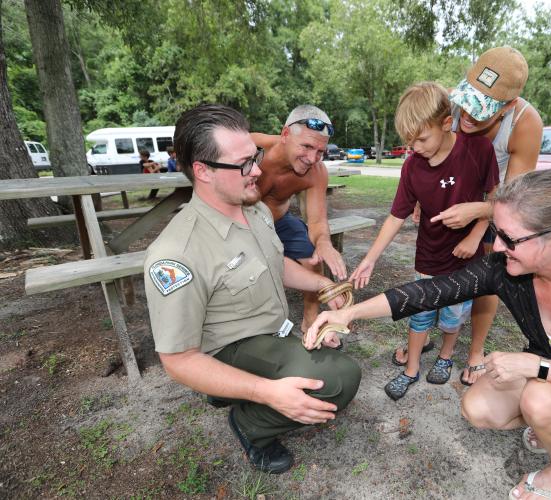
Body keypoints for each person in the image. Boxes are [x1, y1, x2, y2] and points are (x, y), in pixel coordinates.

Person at [305, 169, 551, 499]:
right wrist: (350, 313)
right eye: (495, 232)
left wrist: (536, 366)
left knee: (540, 400)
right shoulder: (507, 267)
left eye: (510, 238)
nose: (498, 247)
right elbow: (429, 292)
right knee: (479, 407)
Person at [144, 104, 361, 474]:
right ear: (203, 171)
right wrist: (268, 394)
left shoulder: (254, 209)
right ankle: (249, 423)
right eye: (244, 164)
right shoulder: (175, 254)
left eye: (254, 159)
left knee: (335, 368)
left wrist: (322, 283)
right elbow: (178, 360)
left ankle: (252, 389)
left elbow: (274, 262)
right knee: (339, 380)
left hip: (271, 330)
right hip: (229, 347)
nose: (258, 171)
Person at [349, 82, 499, 400]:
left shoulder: (478, 150)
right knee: (420, 314)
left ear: (446, 124)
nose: (414, 147)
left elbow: (496, 199)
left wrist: (475, 235)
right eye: (409, 141)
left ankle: (445, 357)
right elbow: (396, 216)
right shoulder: (412, 167)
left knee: (453, 316)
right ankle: (411, 370)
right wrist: (370, 258)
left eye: (421, 139)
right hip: (428, 255)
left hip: (465, 258)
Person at [430, 46, 545, 385]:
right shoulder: (452, 103)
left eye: (483, 109)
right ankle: (425, 330)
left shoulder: (525, 123)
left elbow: (514, 196)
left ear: (508, 105)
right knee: (438, 264)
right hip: (455, 190)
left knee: (488, 276)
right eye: (469, 99)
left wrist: (479, 216)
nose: (468, 115)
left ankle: (475, 351)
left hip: (500, 199)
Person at [251, 105, 346, 332]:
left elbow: (316, 222)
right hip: (243, 224)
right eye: (306, 146)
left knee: (313, 257)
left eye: (320, 151)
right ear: (285, 135)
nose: (313, 158)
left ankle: (310, 320)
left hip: (281, 221)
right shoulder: (251, 148)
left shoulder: (317, 171)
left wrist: (323, 243)